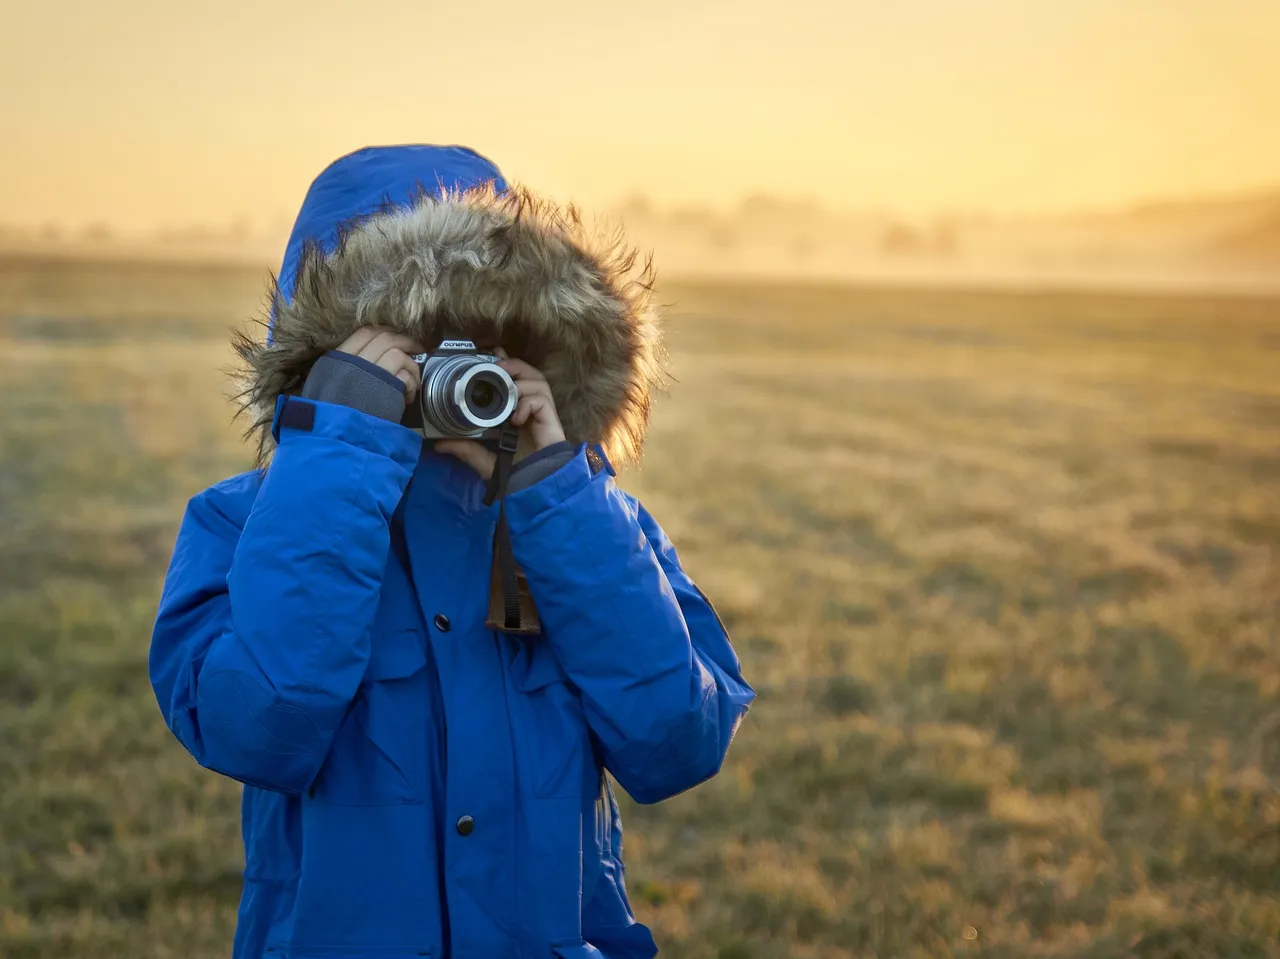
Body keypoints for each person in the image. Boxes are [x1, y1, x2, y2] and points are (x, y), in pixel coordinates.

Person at [148, 144, 754, 959]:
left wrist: (552, 487)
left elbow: (677, 740)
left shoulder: (583, 519)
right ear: (323, 358)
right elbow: (256, 727)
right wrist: (343, 446)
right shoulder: (242, 522)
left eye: (474, 342)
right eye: (409, 350)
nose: (446, 377)